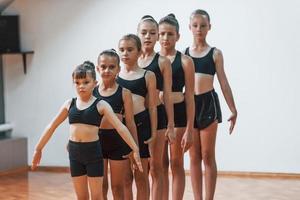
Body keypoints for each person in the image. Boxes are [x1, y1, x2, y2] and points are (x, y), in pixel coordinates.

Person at [31, 61, 142, 200]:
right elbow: (51, 126)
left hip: (93, 154)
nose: (81, 86)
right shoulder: (69, 104)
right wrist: (38, 148)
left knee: (96, 197)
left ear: (95, 83)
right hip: (75, 154)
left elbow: (120, 127)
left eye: (85, 82)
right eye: (77, 82)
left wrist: (135, 148)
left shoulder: (101, 105)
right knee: (81, 197)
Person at [185, 9, 238, 200]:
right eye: (195, 25)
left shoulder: (215, 53)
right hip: (190, 106)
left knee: (207, 155)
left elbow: (223, 82)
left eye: (203, 25)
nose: (199, 29)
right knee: (193, 157)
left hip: (208, 104)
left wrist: (233, 109)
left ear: (209, 27)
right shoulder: (184, 55)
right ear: (189, 27)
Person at [137, 15, 175, 200]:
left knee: (156, 167)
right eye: (144, 32)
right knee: (140, 168)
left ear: (157, 36)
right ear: (138, 34)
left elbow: (167, 95)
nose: (148, 36)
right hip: (137, 117)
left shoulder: (163, 62)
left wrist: (170, 125)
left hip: (158, 117)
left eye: (153, 33)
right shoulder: (131, 60)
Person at [158, 13, 195, 200]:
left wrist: (190, 129)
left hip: (179, 118)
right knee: (160, 164)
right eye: (162, 33)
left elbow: (189, 97)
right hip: (157, 117)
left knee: (176, 162)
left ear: (178, 36)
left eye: (170, 34)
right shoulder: (151, 61)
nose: (166, 38)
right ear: (157, 35)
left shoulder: (186, 61)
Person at [94, 49, 139, 200]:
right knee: (101, 185)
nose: (107, 70)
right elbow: (84, 120)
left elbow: (131, 123)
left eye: (112, 67)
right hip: (97, 142)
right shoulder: (92, 92)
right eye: (103, 66)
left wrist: (135, 148)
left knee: (117, 186)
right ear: (97, 68)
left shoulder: (124, 93)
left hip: (118, 142)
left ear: (118, 69)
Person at [116, 34, 157, 200]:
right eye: (122, 50)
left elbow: (153, 107)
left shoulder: (148, 75)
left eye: (130, 49)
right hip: (122, 128)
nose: (125, 53)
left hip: (141, 125)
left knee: (141, 177)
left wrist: (154, 133)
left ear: (139, 52)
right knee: (126, 177)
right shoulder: (115, 76)